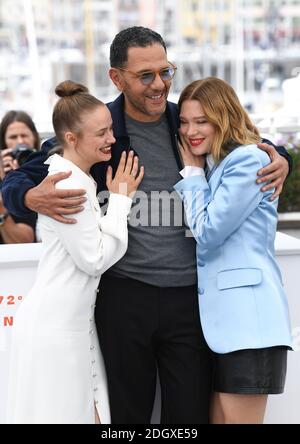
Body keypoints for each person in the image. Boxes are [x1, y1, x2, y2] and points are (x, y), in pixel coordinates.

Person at [2, 27, 293, 424]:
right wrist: (28, 198)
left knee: (189, 417)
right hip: (124, 299)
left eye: (166, 72)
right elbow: (24, 174)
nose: (160, 85)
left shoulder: (187, 123)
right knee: (126, 417)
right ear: (116, 78)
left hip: (190, 302)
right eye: (146, 76)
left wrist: (280, 158)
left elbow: (245, 144)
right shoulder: (100, 131)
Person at [6, 80, 143, 424]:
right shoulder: (67, 183)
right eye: (102, 132)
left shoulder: (76, 178)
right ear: (71, 138)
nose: (111, 139)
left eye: (111, 129)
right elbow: (94, 258)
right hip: (55, 330)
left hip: (72, 325)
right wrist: (122, 199)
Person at [174, 77, 292, 424]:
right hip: (224, 330)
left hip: (250, 327)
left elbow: (208, 232)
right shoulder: (218, 164)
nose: (190, 131)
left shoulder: (247, 161)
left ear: (222, 118)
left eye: (201, 121)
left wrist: (192, 175)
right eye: (183, 121)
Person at [0, 110, 40, 243]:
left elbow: (27, 239)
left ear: (34, 137)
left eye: (24, 135)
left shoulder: (47, 167)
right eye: (13, 137)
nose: (20, 142)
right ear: (3, 143)